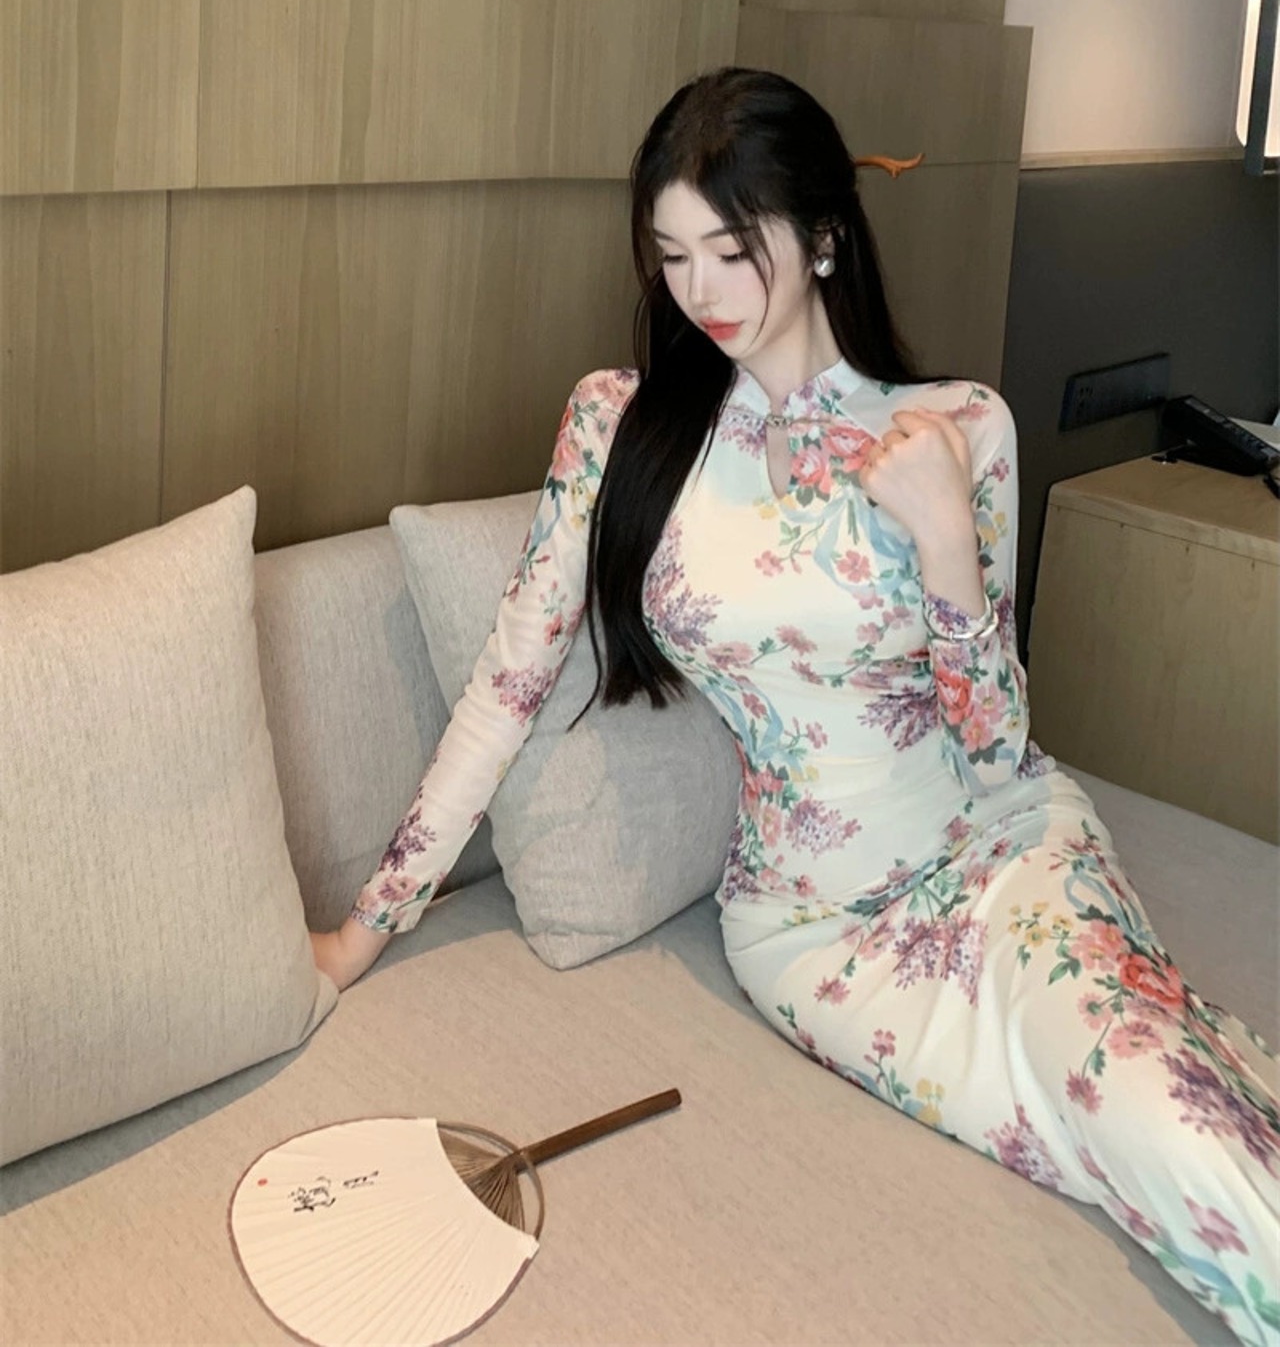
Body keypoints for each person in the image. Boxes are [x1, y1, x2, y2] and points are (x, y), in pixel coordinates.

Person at [311, 68, 1279, 1343]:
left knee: (1145, 1096)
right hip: (812, 934)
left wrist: (946, 545)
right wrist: (361, 931)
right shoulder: (619, 425)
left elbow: (996, 747)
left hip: (998, 852)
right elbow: (504, 690)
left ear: (822, 234)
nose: (699, 291)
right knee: (1088, 1122)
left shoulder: (956, 426)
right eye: (671, 256)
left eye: (731, 248)